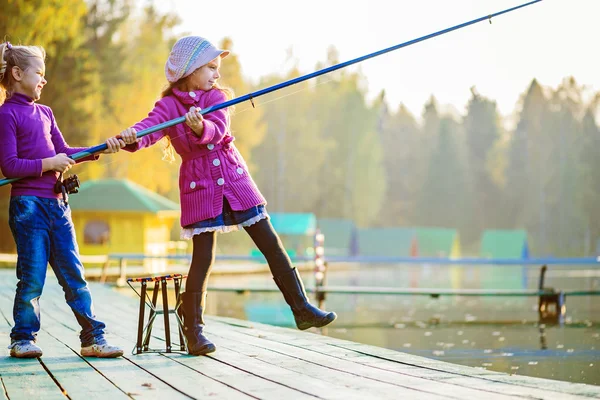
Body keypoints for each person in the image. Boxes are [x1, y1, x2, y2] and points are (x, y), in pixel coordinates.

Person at [118, 36, 336, 356]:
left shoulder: (217, 97)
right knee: (203, 258)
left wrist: (199, 128)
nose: (216, 75)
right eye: (210, 67)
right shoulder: (168, 107)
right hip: (199, 186)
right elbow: (149, 128)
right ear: (190, 70)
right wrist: (130, 138)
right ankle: (194, 329)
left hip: (234, 179)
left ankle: (301, 308)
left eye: (217, 68)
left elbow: (217, 130)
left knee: (270, 244)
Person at [0, 42, 132, 358]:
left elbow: (66, 151)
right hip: (28, 206)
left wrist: (99, 149)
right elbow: (10, 165)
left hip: (58, 206)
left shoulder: (46, 113)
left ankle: (93, 338)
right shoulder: (6, 115)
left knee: (74, 274)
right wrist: (49, 164)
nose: (44, 80)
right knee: (31, 277)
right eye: (39, 73)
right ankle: (22, 338)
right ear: (18, 74)